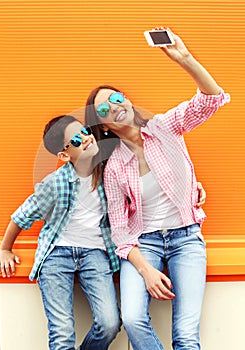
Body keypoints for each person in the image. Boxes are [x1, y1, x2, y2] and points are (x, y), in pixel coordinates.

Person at [84, 28, 230, 349]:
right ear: (103, 125)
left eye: (117, 98)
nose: (114, 106)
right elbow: (121, 233)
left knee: (186, 336)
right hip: (143, 246)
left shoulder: (165, 126)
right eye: (104, 109)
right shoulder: (113, 166)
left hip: (186, 239)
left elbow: (211, 100)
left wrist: (185, 58)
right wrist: (147, 271)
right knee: (133, 319)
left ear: (129, 100)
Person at [0, 115, 121, 350]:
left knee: (109, 323)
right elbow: (22, 215)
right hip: (57, 254)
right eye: (75, 139)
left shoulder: (108, 173)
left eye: (84, 131)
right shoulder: (54, 183)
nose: (85, 138)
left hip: (95, 254)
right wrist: (5, 248)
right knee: (62, 334)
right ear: (64, 155)